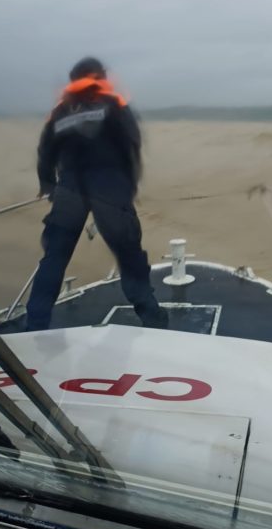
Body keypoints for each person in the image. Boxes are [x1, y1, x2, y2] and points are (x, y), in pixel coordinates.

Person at [25, 57, 167, 331]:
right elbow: (132, 144)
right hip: (111, 191)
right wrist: (129, 187)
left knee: (54, 258)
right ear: (100, 76)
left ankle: (35, 324)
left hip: (69, 191)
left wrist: (49, 186)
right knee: (129, 257)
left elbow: (45, 153)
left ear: (74, 79)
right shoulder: (114, 105)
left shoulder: (61, 111)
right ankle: (152, 320)